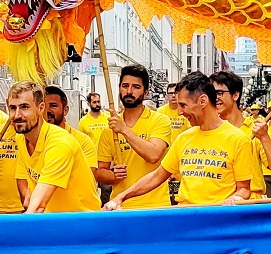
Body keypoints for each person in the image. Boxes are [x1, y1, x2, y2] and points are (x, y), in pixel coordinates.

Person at [104, 71, 254, 208]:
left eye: (183, 105)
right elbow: (157, 176)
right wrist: (120, 197)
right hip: (185, 217)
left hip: (216, 222)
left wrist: (235, 199)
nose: (180, 112)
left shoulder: (238, 139)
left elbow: (244, 189)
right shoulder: (184, 138)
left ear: (202, 101)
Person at [8, 81, 100, 213]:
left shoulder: (60, 143)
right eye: (12, 108)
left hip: (81, 224)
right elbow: (30, 194)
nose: (17, 115)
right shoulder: (20, 138)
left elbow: (38, 205)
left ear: (40, 108)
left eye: (24, 107)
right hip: (51, 221)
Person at [210, 70, 271, 198]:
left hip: (248, 203)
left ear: (235, 95)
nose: (215, 98)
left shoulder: (256, 130)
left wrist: (264, 137)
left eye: (219, 93)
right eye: (211, 94)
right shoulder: (209, 130)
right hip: (218, 204)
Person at [105, 66, 172, 209]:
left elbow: (153, 155)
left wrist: (124, 129)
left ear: (146, 92)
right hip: (119, 206)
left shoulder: (160, 120)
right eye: (125, 86)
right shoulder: (110, 128)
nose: (129, 91)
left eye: (136, 87)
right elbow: (99, 173)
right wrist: (112, 175)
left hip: (155, 206)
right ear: (119, 89)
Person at [43, 86, 116, 189]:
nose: (47, 111)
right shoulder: (84, 121)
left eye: (53, 106)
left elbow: (87, 179)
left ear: (65, 110)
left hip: (100, 163)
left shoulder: (82, 141)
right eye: (43, 106)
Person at [77, 90, 113, 158]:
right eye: (94, 102)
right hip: (92, 156)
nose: (97, 104)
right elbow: (81, 142)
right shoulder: (83, 121)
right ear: (88, 104)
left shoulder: (108, 117)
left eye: (98, 101)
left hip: (108, 155)